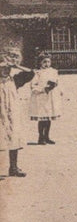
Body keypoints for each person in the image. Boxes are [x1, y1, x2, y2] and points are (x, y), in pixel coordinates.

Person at [0, 49, 33, 177]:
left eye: (7, 69)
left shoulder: (15, 80)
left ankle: (13, 168)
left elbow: (31, 74)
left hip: (11, 114)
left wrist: (16, 66)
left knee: (14, 138)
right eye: (3, 68)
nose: (5, 71)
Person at [29, 52, 61, 145]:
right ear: (40, 63)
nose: (47, 64)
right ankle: (40, 137)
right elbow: (33, 85)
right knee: (42, 118)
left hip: (50, 98)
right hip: (41, 98)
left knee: (48, 118)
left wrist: (55, 86)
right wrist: (42, 89)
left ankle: (47, 137)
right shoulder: (38, 73)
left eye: (48, 62)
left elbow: (57, 81)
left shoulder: (53, 71)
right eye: (44, 62)